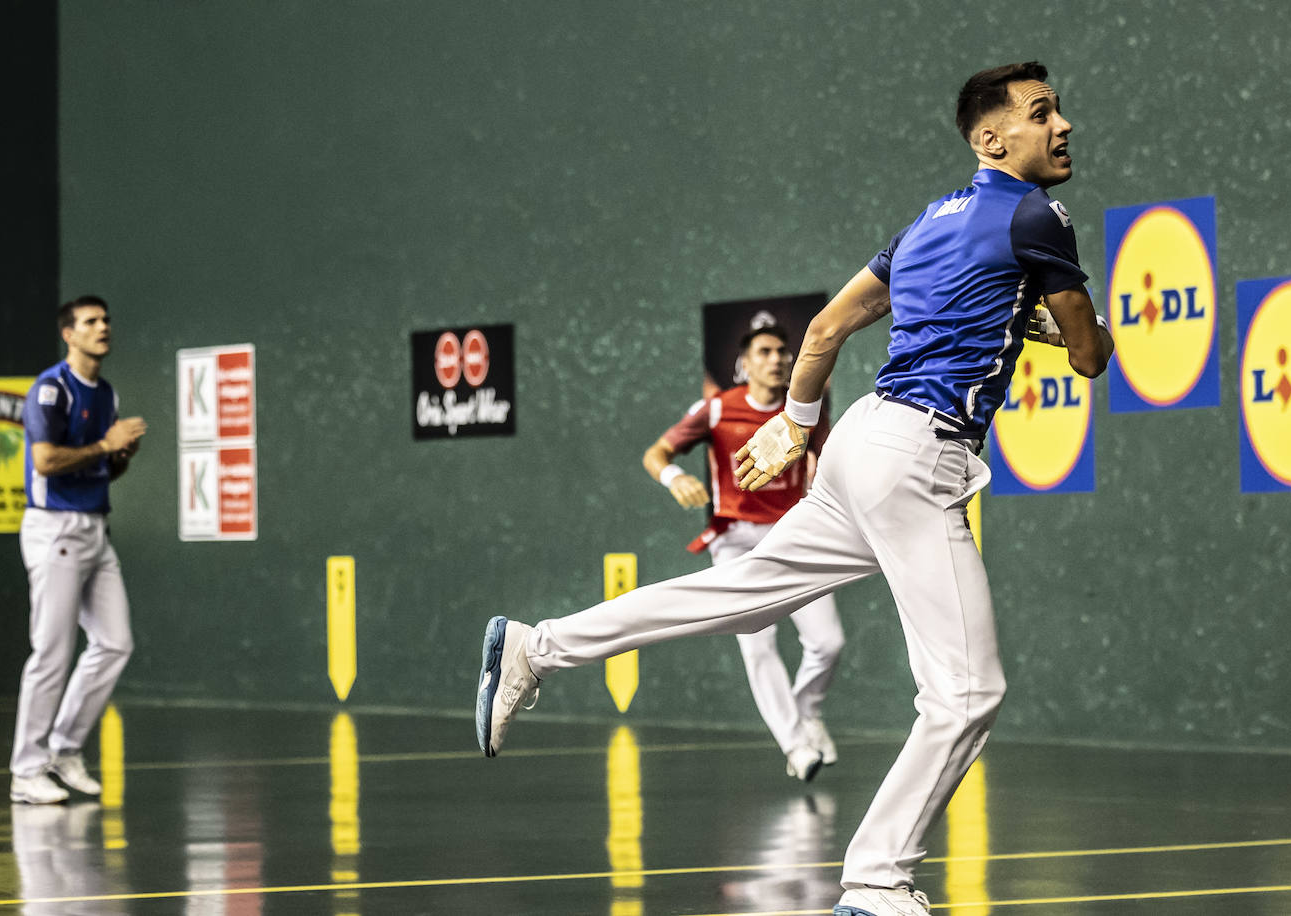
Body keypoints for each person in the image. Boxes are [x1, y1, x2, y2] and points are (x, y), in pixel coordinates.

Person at [475, 61, 1113, 916]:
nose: (1062, 124)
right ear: (991, 140)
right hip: (918, 455)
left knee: (741, 597)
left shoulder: (924, 225)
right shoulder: (1039, 215)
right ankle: (878, 880)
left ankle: (536, 646)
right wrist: (1056, 319)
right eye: (1041, 114)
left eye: (1060, 109)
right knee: (967, 692)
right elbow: (1089, 355)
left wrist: (799, 425)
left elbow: (825, 327)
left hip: (859, 441)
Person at [643, 323, 843, 781]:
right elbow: (656, 453)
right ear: (746, 363)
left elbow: (828, 462)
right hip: (735, 541)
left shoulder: (805, 410)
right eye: (766, 352)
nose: (778, 360)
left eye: (783, 352)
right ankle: (796, 747)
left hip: (792, 535)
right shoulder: (716, 410)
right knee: (758, 644)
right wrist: (675, 478)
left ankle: (807, 712)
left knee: (828, 642)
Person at [9, 295, 147, 805]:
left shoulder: (105, 394)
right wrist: (104, 447)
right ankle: (26, 769)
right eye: (91, 322)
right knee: (52, 651)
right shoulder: (51, 389)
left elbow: (104, 469)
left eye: (106, 320)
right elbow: (45, 462)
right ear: (70, 334)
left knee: (115, 643)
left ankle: (64, 750)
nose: (103, 327)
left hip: (95, 527)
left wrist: (121, 456)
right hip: (55, 531)